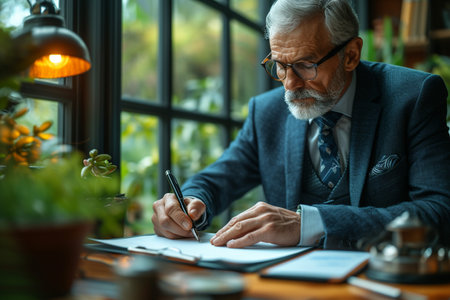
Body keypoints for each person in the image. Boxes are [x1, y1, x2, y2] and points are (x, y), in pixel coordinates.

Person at [152, 0, 450, 249]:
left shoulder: (413, 96)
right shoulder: (265, 112)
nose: (290, 84)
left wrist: (313, 223)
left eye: (307, 64)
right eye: (280, 65)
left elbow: (439, 211)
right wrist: (189, 203)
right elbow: (215, 181)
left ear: (351, 54)